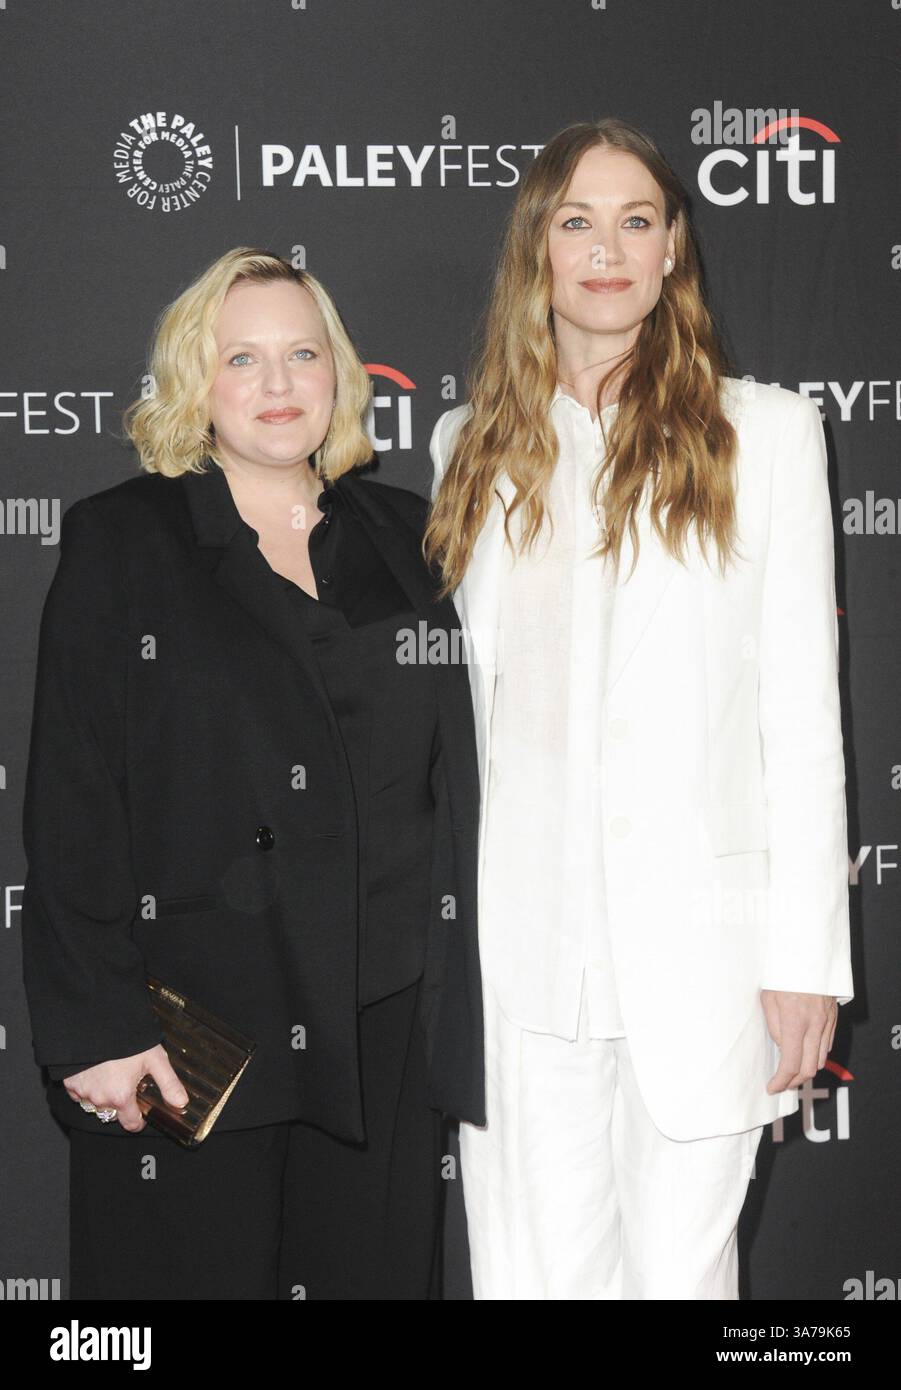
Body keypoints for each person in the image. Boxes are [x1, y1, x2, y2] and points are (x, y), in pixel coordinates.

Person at [425, 117, 853, 1300]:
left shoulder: (764, 434)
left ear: (673, 249)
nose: (604, 249)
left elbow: (802, 716)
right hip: (521, 962)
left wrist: (804, 959)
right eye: (575, 221)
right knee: (529, 1283)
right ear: (537, 252)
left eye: (634, 220)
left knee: (682, 1280)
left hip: (705, 958)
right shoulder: (469, 444)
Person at [20, 247, 485, 1300]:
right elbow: (73, 799)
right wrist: (97, 1023)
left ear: (339, 374)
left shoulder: (413, 539)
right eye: (243, 358)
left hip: (382, 1026)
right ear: (197, 382)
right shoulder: (124, 540)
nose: (278, 386)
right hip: (196, 1034)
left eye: (301, 354)